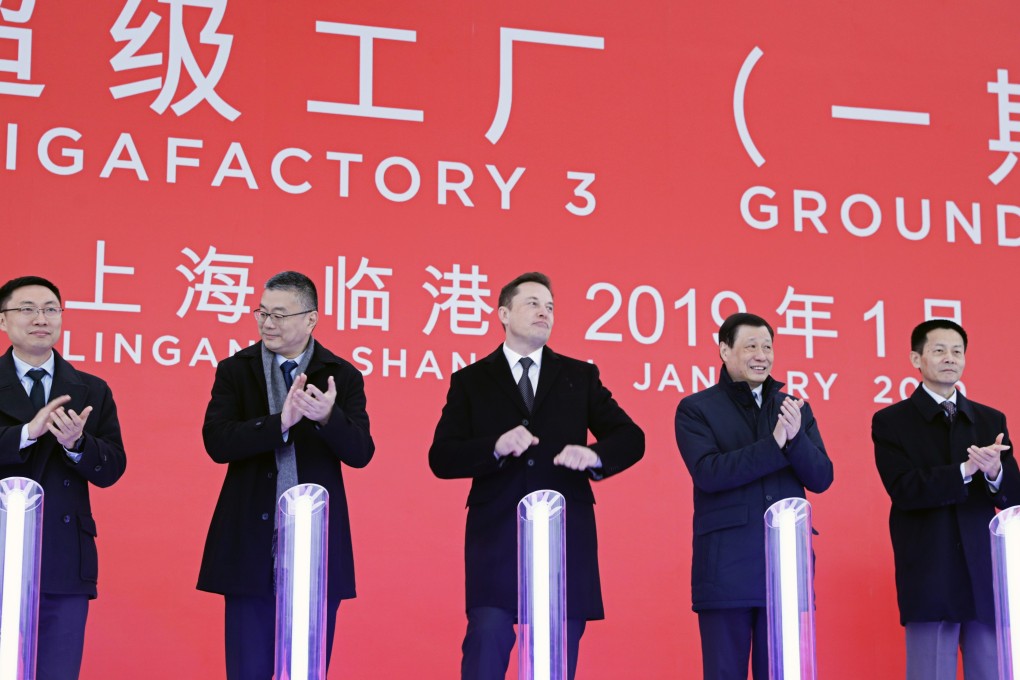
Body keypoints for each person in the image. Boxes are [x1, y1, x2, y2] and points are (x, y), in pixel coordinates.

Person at [429, 271, 644, 680]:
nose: (544, 312)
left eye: (550, 307)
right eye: (532, 303)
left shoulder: (579, 376)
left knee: (558, 655)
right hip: (497, 538)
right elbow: (441, 457)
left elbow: (632, 438)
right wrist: (494, 447)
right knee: (487, 642)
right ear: (503, 313)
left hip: (564, 537)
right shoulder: (471, 380)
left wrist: (593, 454)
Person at [198, 270, 375, 680]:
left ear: (310, 319)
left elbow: (361, 453)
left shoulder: (341, 376)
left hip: (317, 548)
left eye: (279, 315)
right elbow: (217, 442)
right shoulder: (235, 370)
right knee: (248, 669)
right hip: (251, 544)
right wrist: (281, 421)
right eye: (262, 313)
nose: (267, 324)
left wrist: (329, 417)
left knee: (307, 669)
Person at [674, 312, 833, 680]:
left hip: (786, 569)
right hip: (726, 569)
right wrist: (776, 442)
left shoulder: (793, 407)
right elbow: (709, 474)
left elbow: (822, 477)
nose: (761, 354)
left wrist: (796, 440)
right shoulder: (696, 409)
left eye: (767, 346)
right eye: (751, 346)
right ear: (724, 350)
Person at [873, 319, 1020, 680]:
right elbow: (903, 489)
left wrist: (992, 473)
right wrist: (965, 469)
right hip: (929, 567)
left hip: (984, 571)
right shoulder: (891, 421)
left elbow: (1013, 494)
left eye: (957, 351)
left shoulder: (989, 419)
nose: (949, 358)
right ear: (916, 359)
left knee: (991, 671)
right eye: (939, 350)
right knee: (930, 672)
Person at [0, 275, 127, 680]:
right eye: (27, 309)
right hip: (3, 551)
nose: (41, 318)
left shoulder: (91, 389)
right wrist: (25, 434)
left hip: (63, 559)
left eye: (50, 309)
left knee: (58, 669)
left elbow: (112, 468)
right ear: (3, 321)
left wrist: (77, 444)